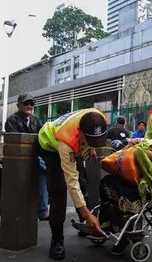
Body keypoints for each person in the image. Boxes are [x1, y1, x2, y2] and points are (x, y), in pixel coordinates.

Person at [99, 109, 152, 255]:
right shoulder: (144, 140)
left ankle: (130, 236)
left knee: (128, 191)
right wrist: (131, 146)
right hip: (137, 177)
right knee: (107, 182)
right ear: (151, 123)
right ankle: (111, 228)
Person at [37, 108, 108, 260]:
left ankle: (85, 224)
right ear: (81, 133)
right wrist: (88, 214)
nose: (93, 143)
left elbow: (93, 134)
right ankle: (57, 240)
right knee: (59, 188)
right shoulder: (66, 143)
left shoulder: (98, 116)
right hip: (51, 144)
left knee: (83, 182)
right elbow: (71, 182)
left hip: (76, 144)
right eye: (91, 140)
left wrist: (92, 146)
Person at [4, 93, 49, 220]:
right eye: (26, 103)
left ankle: (42, 208)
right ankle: (43, 210)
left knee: (44, 169)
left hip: (34, 158)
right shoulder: (12, 120)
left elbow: (43, 136)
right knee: (44, 168)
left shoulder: (35, 120)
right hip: (18, 160)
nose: (29, 106)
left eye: (31, 103)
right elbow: (15, 142)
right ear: (18, 105)